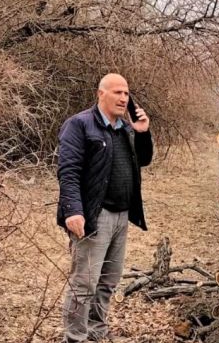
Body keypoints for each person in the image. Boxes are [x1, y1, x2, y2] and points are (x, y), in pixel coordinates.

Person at [57, 73, 153, 343]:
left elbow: (142, 161)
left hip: (122, 217)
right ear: (101, 94)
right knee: (84, 284)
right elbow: (68, 171)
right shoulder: (80, 125)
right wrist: (73, 210)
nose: (123, 98)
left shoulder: (125, 128)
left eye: (126, 93)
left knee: (107, 283)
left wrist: (143, 133)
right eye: (117, 92)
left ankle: (96, 334)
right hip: (93, 217)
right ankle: (75, 338)